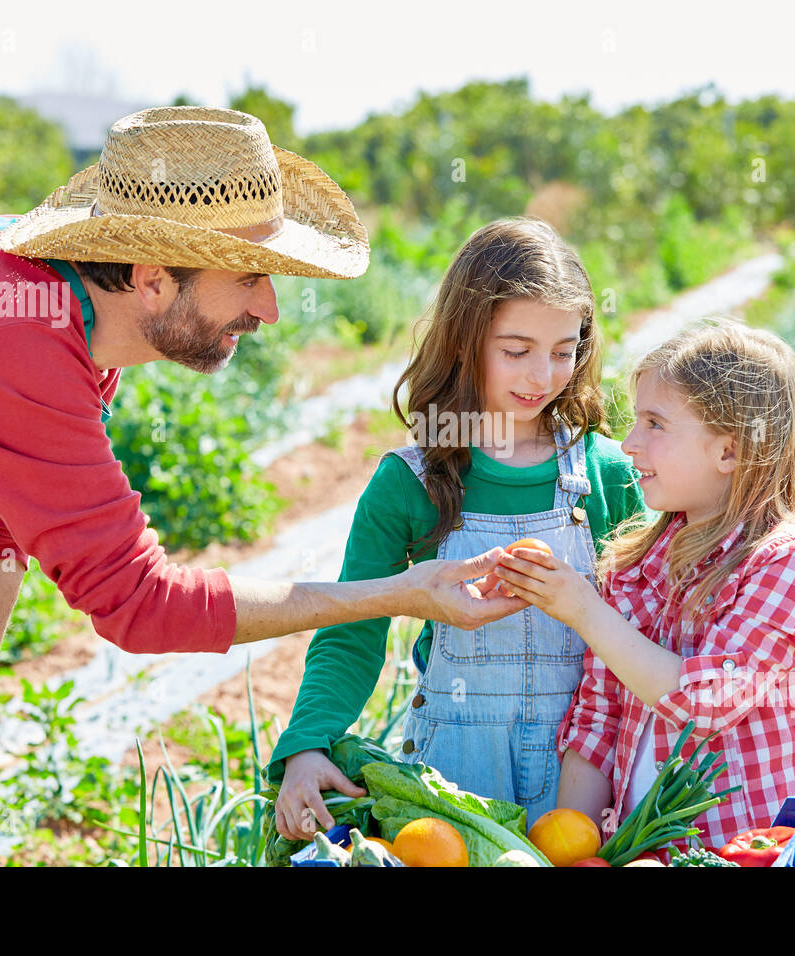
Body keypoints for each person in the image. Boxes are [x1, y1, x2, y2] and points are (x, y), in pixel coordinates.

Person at [0, 106, 525, 867]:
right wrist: (399, 592)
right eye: (250, 277)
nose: (270, 310)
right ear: (151, 277)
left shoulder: (66, 311)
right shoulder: (14, 340)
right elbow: (140, 607)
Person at [269, 218, 649, 839]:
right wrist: (309, 742)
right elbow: (352, 626)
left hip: (588, 769)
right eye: (516, 351)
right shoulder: (411, 481)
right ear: (465, 340)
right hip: (455, 775)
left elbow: (646, 625)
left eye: (564, 350)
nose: (542, 377)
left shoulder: (605, 473)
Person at [492, 318, 795, 850]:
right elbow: (598, 720)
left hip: (753, 847)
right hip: (646, 851)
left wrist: (586, 612)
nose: (630, 444)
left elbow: (706, 703)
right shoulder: (637, 562)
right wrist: (570, 846)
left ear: (728, 451)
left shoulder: (787, 564)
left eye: (655, 424)